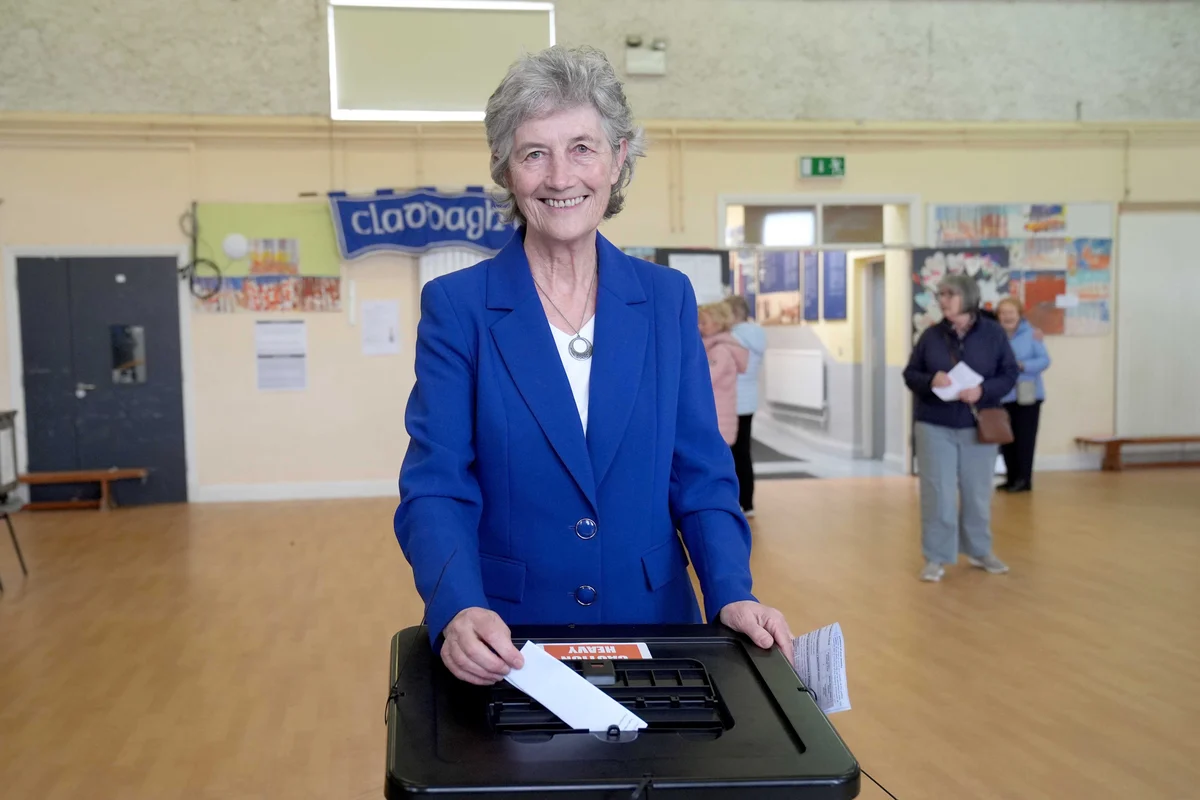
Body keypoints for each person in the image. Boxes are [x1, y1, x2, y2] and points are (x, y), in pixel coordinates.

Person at [394, 45, 793, 686]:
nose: (560, 177)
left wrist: (731, 591)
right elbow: (437, 484)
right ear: (506, 170)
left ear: (617, 159)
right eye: (534, 153)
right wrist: (458, 604)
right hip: (512, 641)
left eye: (582, 147)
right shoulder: (458, 308)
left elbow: (701, 475)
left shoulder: (666, 301)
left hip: (659, 628)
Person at [903, 274, 1018, 583]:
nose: (943, 300)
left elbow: (1009, 374)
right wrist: (930, 380)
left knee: (977, 493)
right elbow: (910, 374)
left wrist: (983, 390)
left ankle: (980, 551)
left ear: (966, 297)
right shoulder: (931, 336)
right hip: (934, 425)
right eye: (940, 295)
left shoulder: (993, 333)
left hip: (977, 426)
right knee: (937, 493)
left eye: (949, 295)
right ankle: (935, 557)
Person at [996, 297, 1050, 493]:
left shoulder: (1032, 334)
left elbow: (1044, 361)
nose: (1007, 316)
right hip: (1003, 395)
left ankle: (1024, 479)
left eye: (1011, 312)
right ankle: (1011, 478)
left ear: (1019, 314)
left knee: (1025, 440)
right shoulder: (994, 336)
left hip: (1028, 395)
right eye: (1003, 313)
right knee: (1007, 439)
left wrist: (1023, 366)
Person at [724, 295, 766, 517]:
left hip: (729, 401)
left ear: (735, 313)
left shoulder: (731, 338)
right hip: (749, 401)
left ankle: (731, 501)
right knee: (744, 453)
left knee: (728, 454)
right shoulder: (759, 334)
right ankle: (747, 503)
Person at [698, 301, 749, 448]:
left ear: (718, 323)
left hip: (718, 419)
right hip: (717, 417)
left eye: (703, 322)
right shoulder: (715, 348)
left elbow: (706, 380)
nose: (699, 326)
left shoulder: (720, 351)